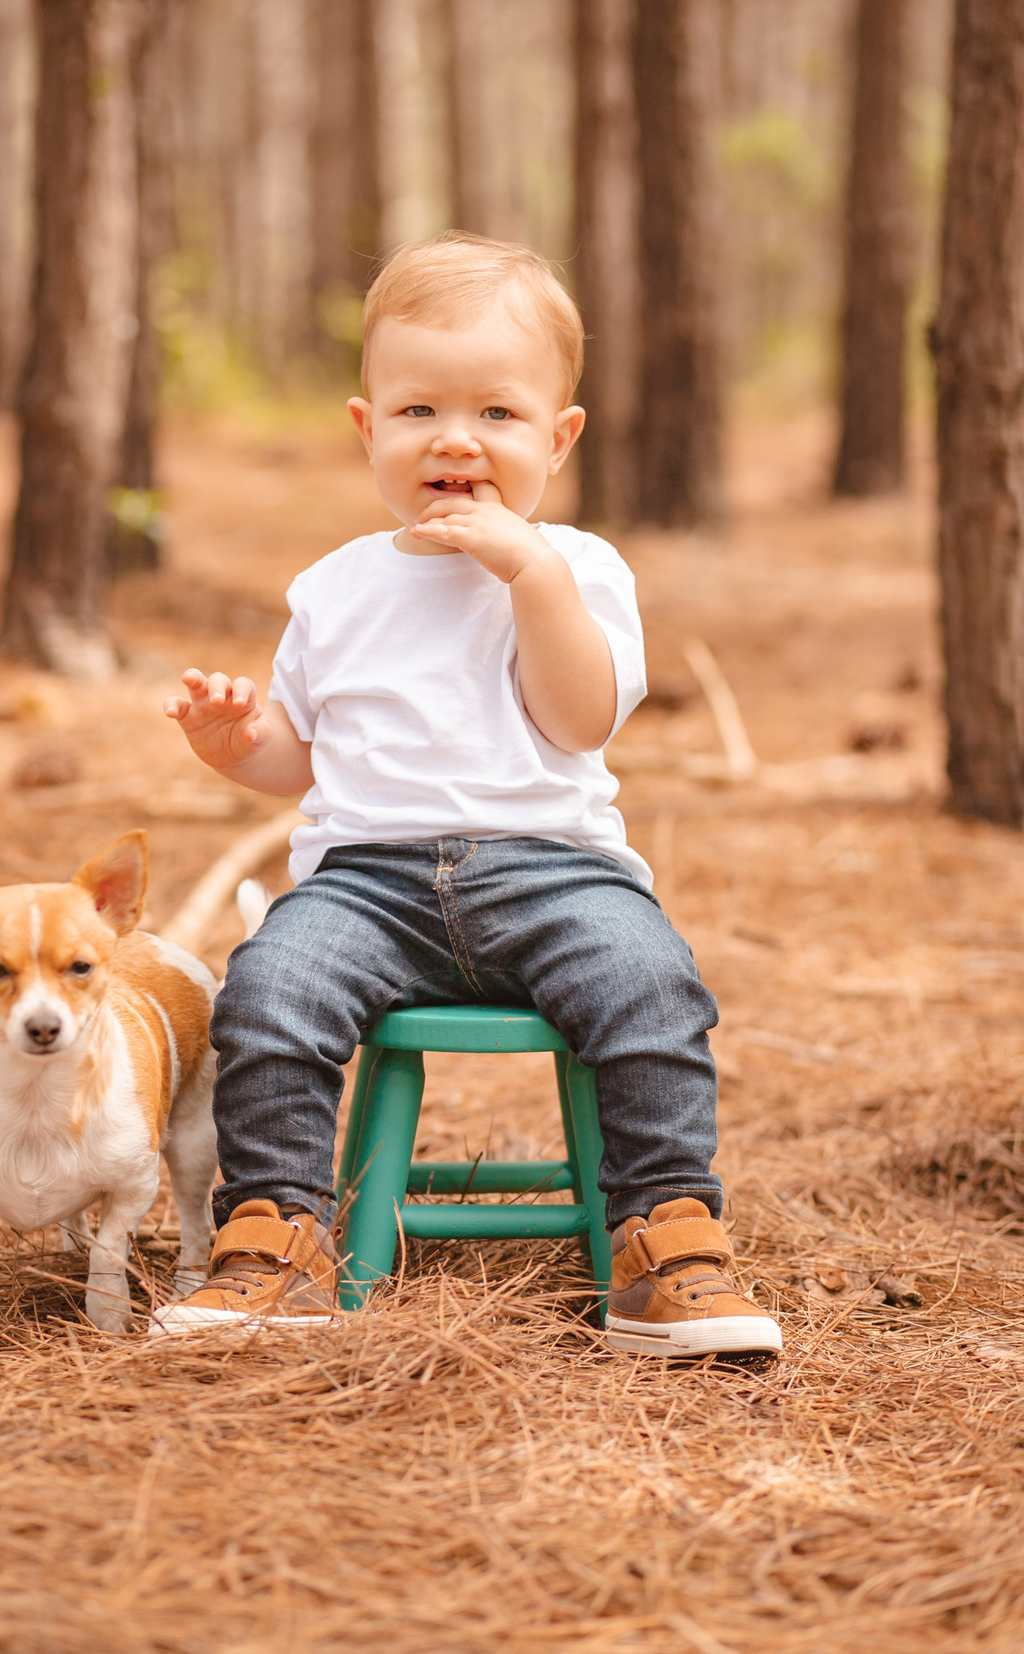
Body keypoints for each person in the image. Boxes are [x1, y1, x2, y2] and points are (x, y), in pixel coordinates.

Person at [153, 233, 781, 1361]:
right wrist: (234, 742)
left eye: (497, 413)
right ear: (368, 429)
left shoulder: (580, 568)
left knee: (650, 985)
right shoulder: (336, 587)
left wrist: (527, 570)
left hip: (557, 875)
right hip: (367, 885)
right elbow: (300, 756)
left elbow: (579, 718)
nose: (455, 438)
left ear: (558, 438)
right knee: (271, 991)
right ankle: (276, 1237)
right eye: (419, 411)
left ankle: (665, 1240)